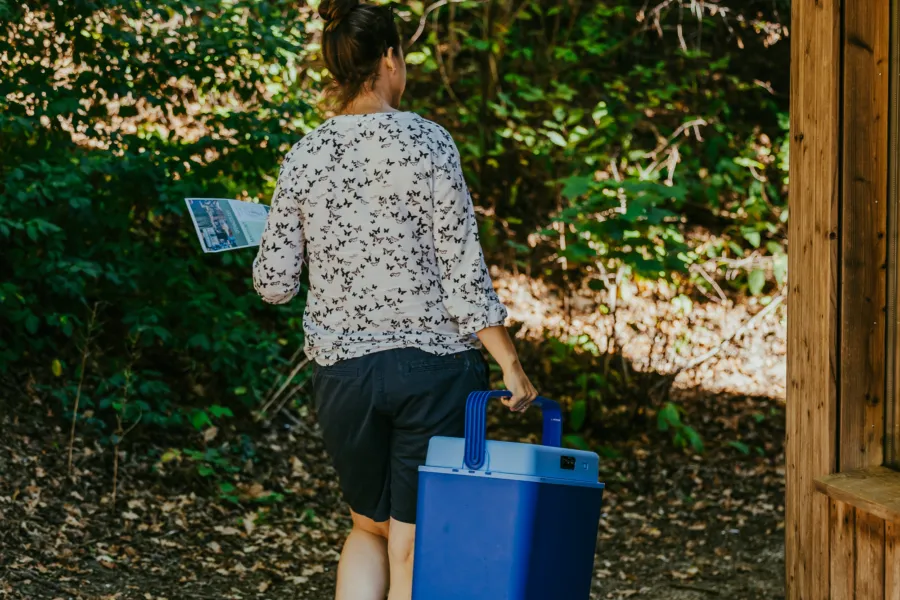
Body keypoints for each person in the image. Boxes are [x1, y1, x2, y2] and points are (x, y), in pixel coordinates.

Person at [251, 1, 537, 598]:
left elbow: (274, 284)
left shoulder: (306, 154)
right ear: (389, 59)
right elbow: (463, 274)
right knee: (413, 538)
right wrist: (510, 363)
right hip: (433, 372)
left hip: (344, 377)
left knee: (367, 529)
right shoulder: (430, 143)